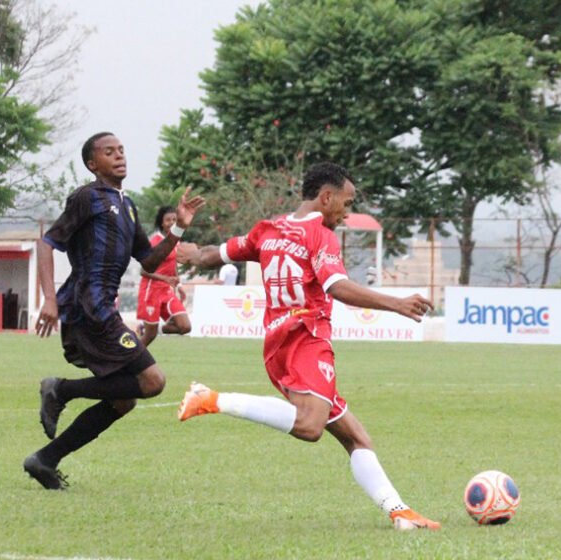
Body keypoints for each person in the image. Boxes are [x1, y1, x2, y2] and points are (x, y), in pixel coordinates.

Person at [175, 162, 441, 531]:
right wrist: (396, 304)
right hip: (307, 336)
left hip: (276, 344)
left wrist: (176, 238)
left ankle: (399, 512)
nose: (347, 214)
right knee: (310, 425)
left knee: (355, 437)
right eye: (346, 204)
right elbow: (336, 286)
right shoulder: (320, 234)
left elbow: (207, 256)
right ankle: (212, 399)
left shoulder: (266, 230)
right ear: (325, 197)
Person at [22, 132, 205, 489]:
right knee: (152, 382)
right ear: (93, 164)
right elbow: (47, 244)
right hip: (89, 306)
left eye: (121, 149)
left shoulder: (127, 204)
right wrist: (48, 298)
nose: (119, 155)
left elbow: (148, 259)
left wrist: (179, 226)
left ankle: (44, 460)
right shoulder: (88, 197)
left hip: (102, 307)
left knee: (122, 401)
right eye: (109, 152)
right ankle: (61, 390)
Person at [136, 205, 191, 347]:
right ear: (162, 222)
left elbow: (173, 266)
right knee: (150, 336)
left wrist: (179, 286)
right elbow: (143, 271)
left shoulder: (175, 241)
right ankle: (130, 361)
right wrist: (165, 279)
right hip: (151, 291)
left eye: (175, 219)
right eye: (168, 220)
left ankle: (152, 329)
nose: (172, 223)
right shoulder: (155, 241)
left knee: (185, 327)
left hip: (166, 291)